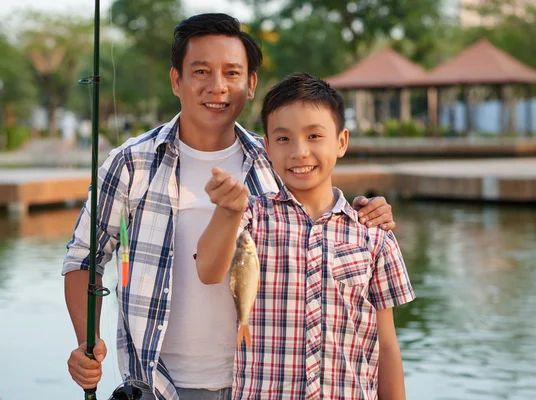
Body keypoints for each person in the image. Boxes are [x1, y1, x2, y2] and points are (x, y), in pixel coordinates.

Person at [63, 13, 396, 400]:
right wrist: (87, 341)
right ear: (177, 80)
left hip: (262, 383)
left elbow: (319, 221)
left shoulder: (275, 157)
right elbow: (84, 259)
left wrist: (369, 213)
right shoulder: (130, 164)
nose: (217, 87)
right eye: (201, 71)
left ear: (251, 83)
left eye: (232, 73)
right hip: (158, 383)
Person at [196, 72, 415, 399]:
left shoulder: (374, 236)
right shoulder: (251, 217)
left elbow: (386, 344)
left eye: (314, 136)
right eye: (283, 139)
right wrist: (227, 210)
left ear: (341, 142)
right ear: (267, 147)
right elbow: (208, 271)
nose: (299, 151)